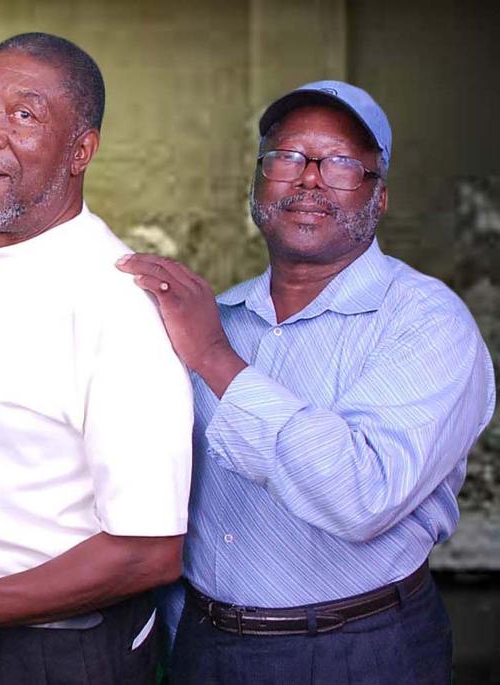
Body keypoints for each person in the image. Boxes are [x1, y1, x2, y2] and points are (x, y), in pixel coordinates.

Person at [118, 81, 496, 684]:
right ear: (256, 185)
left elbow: (361, 495)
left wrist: (213, 356)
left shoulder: (426, 321)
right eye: (287, 158)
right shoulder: (219, 317)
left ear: (380, 196)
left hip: (357, 649)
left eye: (342, 163)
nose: (310, 178)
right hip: (203, 646)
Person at [0, 33, 193, 684]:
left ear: (82, 150)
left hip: (55, 654)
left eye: (23, 114)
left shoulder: (114, 302)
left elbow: (150, 550)